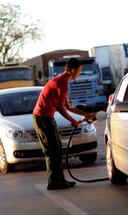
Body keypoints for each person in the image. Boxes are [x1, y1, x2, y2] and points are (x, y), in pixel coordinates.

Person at [33, 58, 95, 190]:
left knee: (57, 149)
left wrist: (85, 115)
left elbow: (67, 106)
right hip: (42, 118)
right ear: (72, 70)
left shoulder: (63, 81)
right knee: (52, 150)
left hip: (47, 117)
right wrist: (72, 121)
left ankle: (60, 180)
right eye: (79, 71)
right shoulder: (61, 82)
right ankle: (54, 182)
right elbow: (60, 107)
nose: (79, 73)